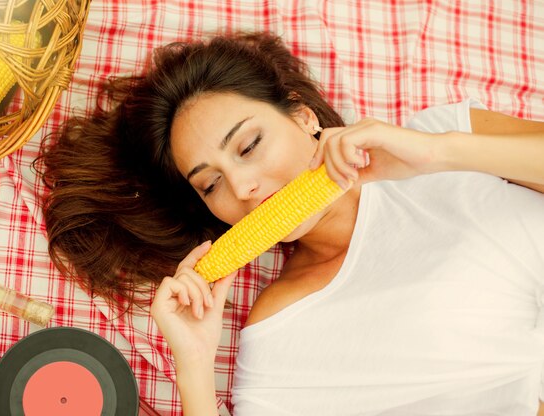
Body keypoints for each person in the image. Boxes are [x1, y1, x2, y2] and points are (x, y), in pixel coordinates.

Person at [38, 32, 544, 414]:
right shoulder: (285, 326)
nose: (242, 188)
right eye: (211, 184)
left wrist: (440, 154)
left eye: (249, 145)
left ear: (303, 118)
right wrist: (193, 365)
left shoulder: (438, 136)